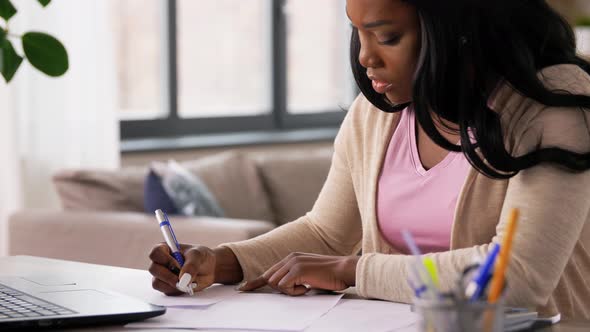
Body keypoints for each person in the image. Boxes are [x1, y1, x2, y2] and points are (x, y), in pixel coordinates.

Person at [148, 0, 590, 319]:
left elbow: (519, 275)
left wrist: (351, 271)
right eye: (357, 32)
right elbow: (326, 233)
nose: (365, 58)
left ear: (456, 26)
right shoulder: (379, 111)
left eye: (387, 36)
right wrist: (222, 262)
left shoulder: (556, 102)